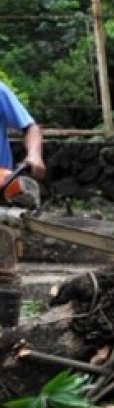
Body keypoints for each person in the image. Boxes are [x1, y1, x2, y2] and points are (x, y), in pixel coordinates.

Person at [0, 79, 46, 327]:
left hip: (1, 186)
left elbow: (30, 127)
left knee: (4, 271)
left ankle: (8, 338)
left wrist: (34, 154)